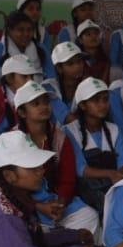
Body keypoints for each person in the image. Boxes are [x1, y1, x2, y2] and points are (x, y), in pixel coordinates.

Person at [15, 81, 99, 232]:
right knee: (21, 224)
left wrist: (60, 205)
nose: (44, 106)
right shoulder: (11, 140)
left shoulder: (60, 137)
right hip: (24, 202)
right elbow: (8, 185)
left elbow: (67, 179)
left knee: (89, 216)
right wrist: (38, 206)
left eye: (46, 102)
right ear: (22, 112)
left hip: (54, 200)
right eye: (36, 104)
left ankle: (57, 237)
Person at [64, 77, 123, 213]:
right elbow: (81, 169)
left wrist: (120, 176)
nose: (102, 104)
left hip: (114, 183)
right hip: (85, 191)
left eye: (105, 100)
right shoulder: (70, 131)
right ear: (82, 105)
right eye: (96, 100)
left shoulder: (114, 129)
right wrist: (111, 174)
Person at [0, 10, 54, 93]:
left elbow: (51, 81)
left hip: (38, 98)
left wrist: (44, 98)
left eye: (29, 30)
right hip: (4, 99)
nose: (26, 34)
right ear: (9, 31)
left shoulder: (40, 49)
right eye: (20, 30)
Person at [47, 41, 87, 124]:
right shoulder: (48, 87)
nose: (77, 66)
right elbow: (67, 118)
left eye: (79, 61)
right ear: (59, 68)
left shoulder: (87, 85)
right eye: (70, 63)